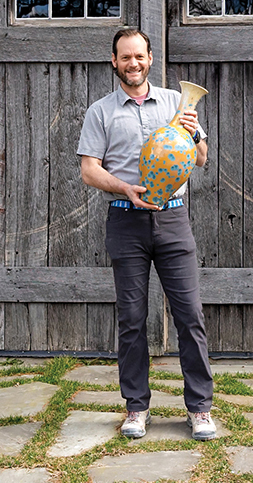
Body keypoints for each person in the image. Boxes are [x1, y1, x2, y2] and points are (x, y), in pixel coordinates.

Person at [77, 28, 216, 441]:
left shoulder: (177, 103)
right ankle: (136, 408)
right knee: (132, 321)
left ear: (150, 59)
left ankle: (201, 409)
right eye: (125, 57)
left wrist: (192, 134)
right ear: (114, 62)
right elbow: (89, 169)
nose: (133, 63)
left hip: (173, 219)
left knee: (190, 315)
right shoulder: (99, 112)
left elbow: (203, 158)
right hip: (125, 221)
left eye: (139, 56)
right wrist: (124, 188)